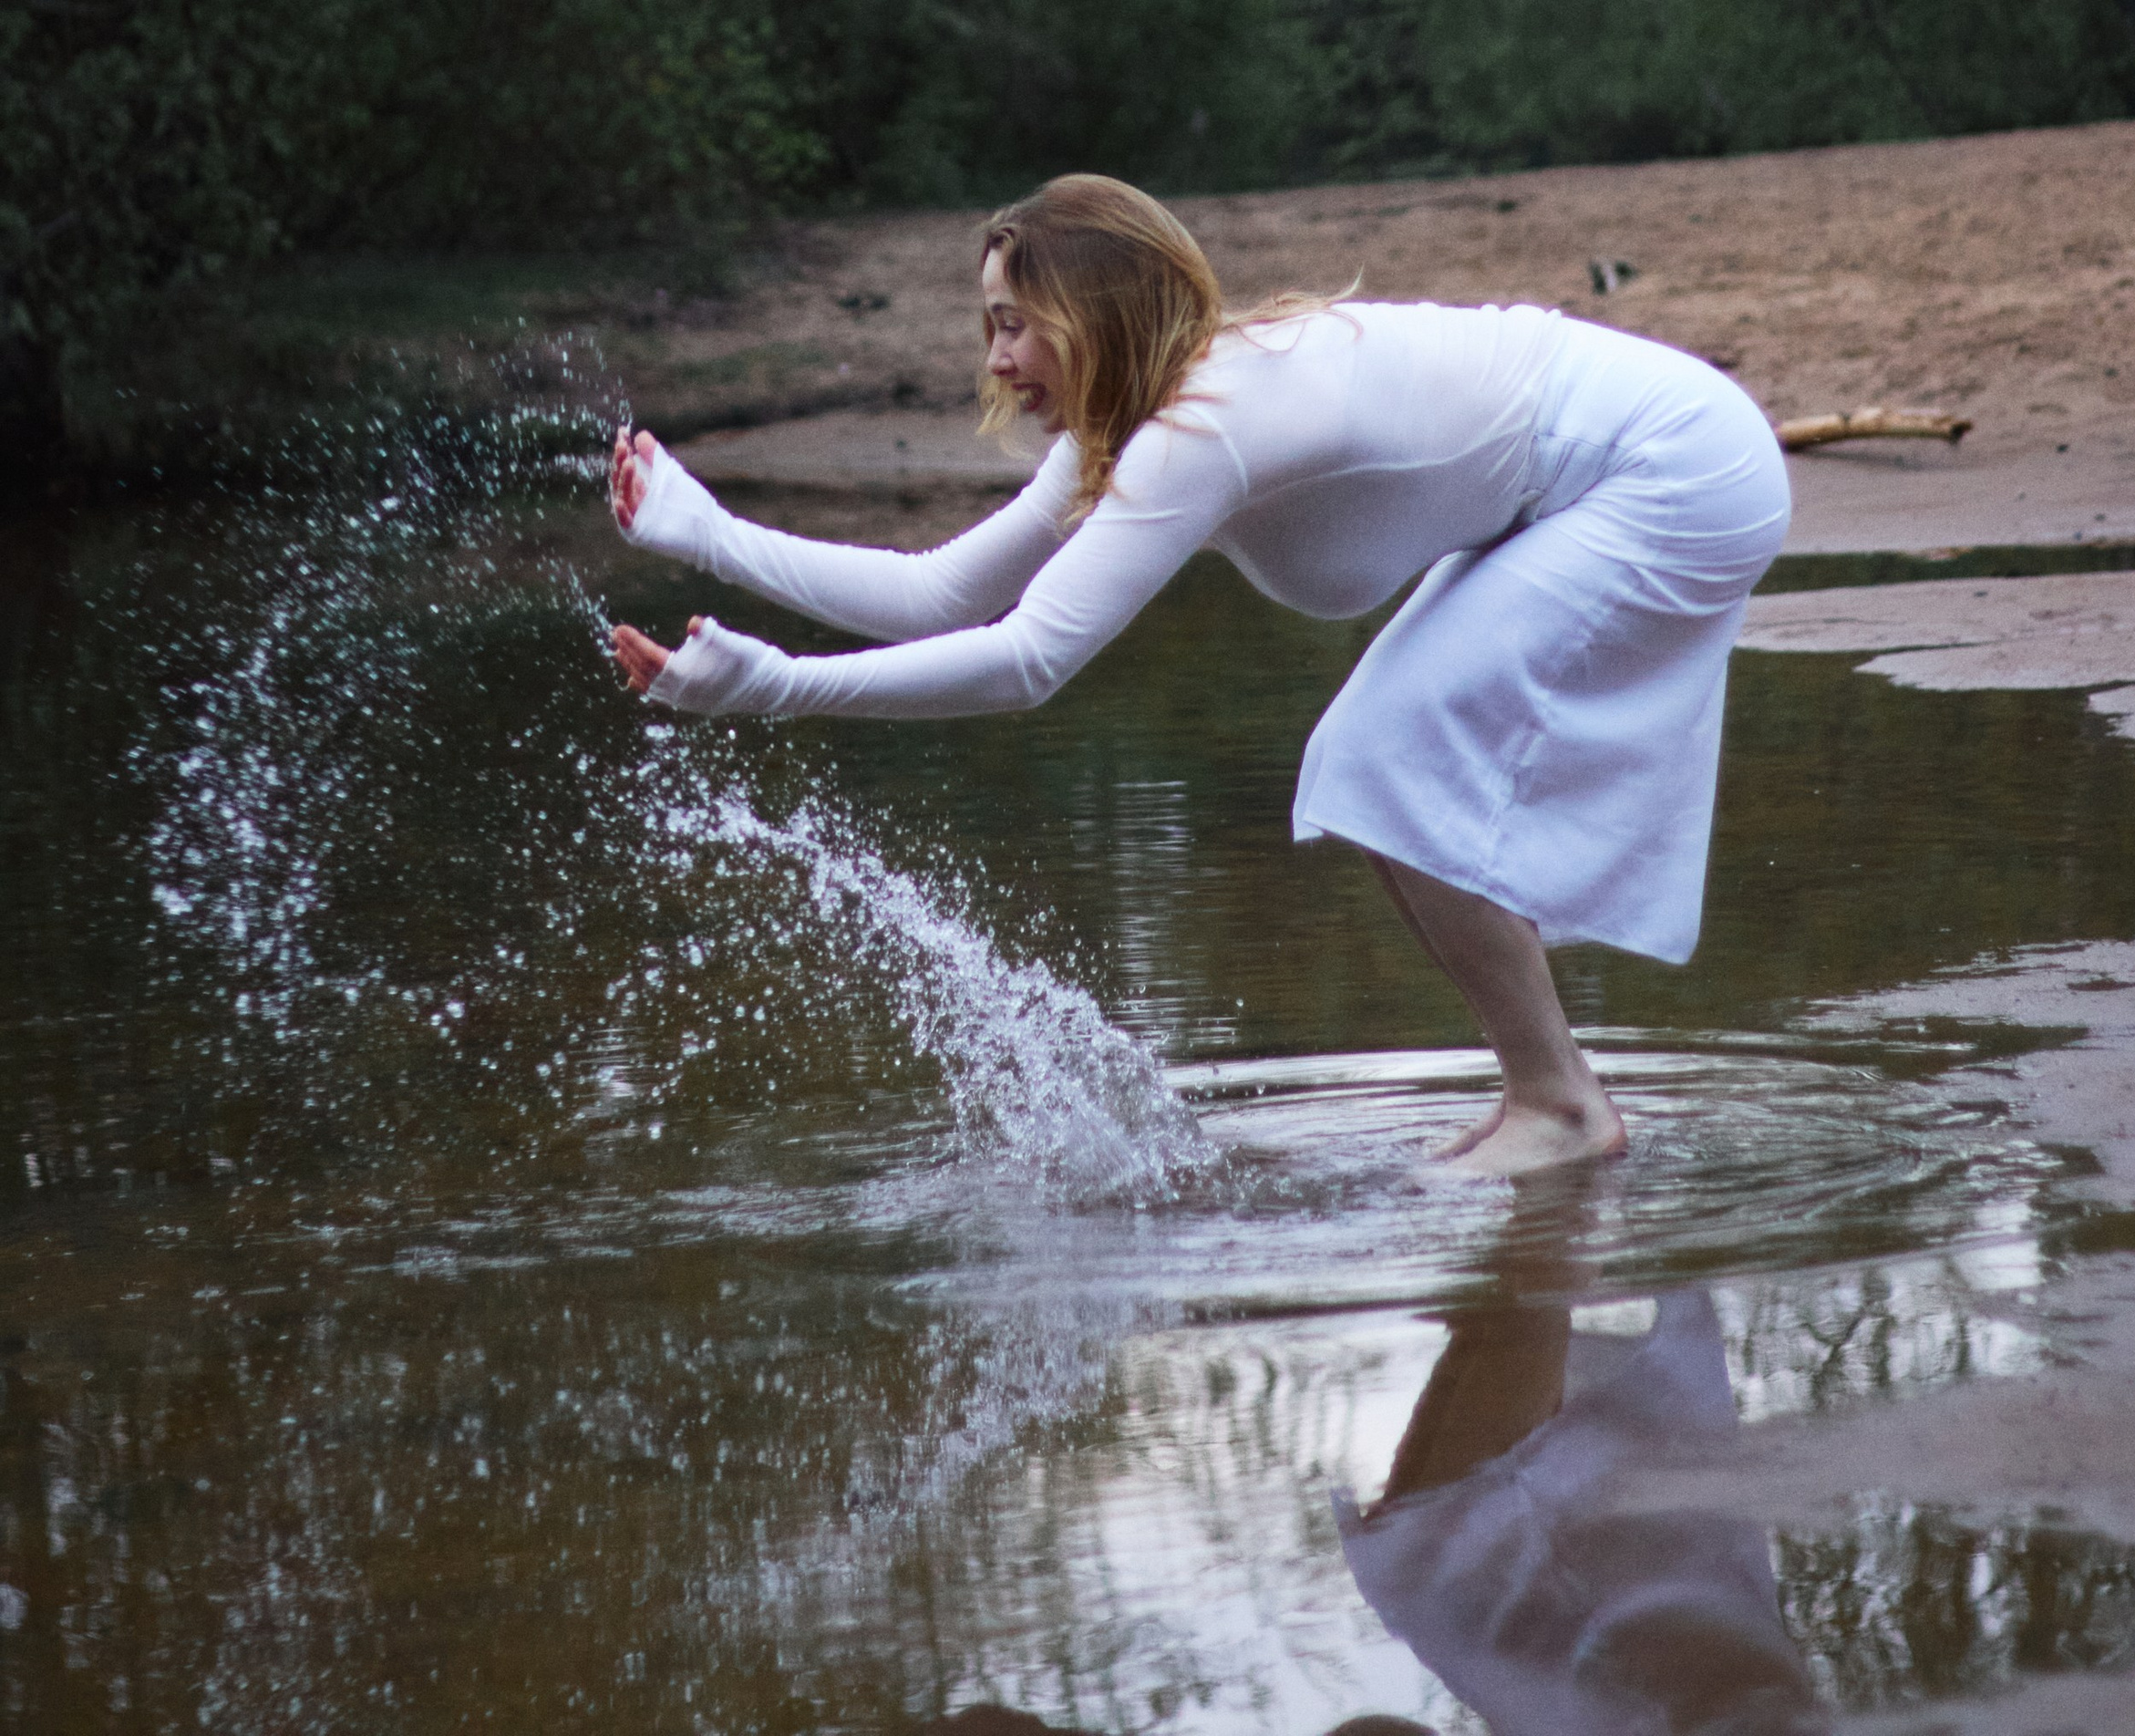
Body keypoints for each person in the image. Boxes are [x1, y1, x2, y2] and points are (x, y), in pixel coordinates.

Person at [607, 174, 1789, 1174]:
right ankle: (1551, 1096)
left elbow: (1027, 663)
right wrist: (702, 532)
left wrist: (771, 687)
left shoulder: (1204, 424)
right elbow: (943, 591)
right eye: (989, 326)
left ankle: (1560, 1108)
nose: (996, 357)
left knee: (1377, 751)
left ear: (1097, 314)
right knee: (1383, 753)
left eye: (1016, 323)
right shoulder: (1143, 422)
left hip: (1675, 468)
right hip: (1603, 473)